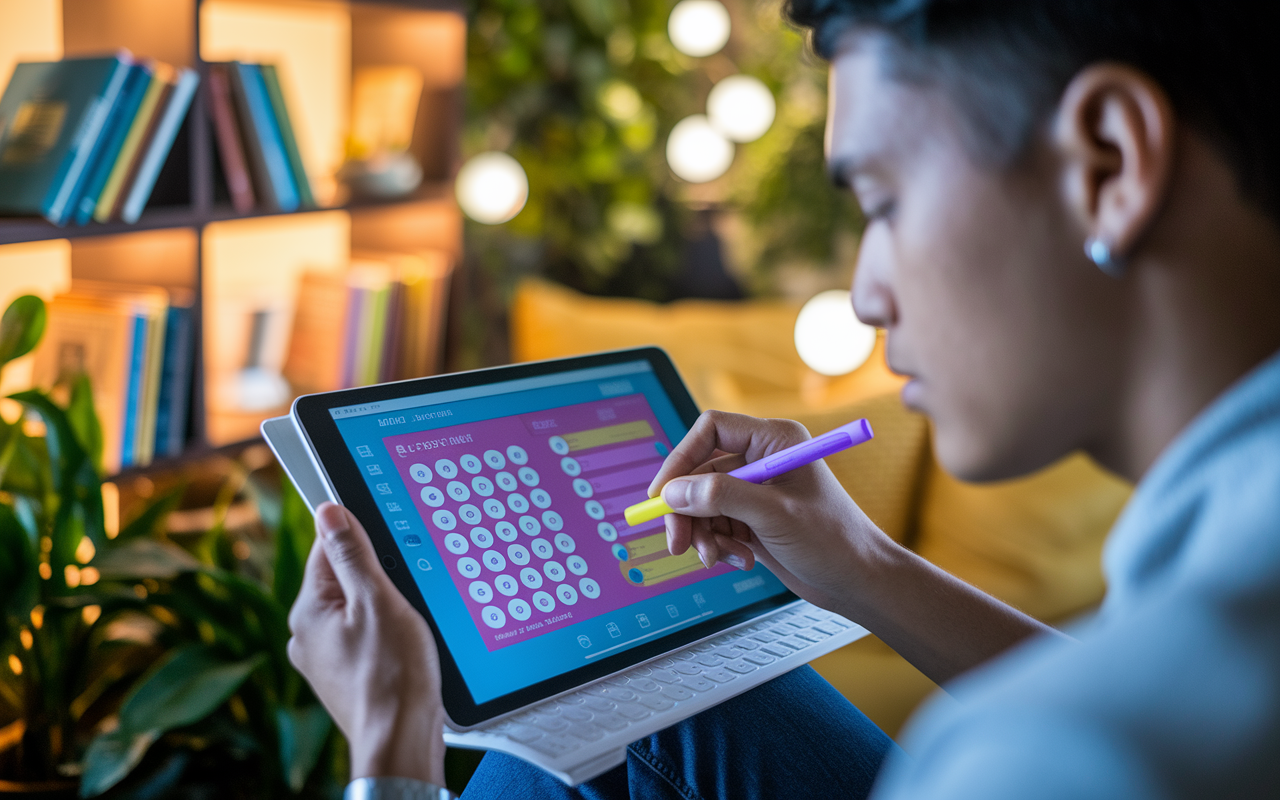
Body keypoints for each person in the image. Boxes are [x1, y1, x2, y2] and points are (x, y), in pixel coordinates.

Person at [286, 1, 1280, 797]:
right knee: (661, 708)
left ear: (1106, 159)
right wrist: (860, 562)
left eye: (882, 203)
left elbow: (1106, 727)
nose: (863, 292)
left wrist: (394, 761)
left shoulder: (1044, 757)